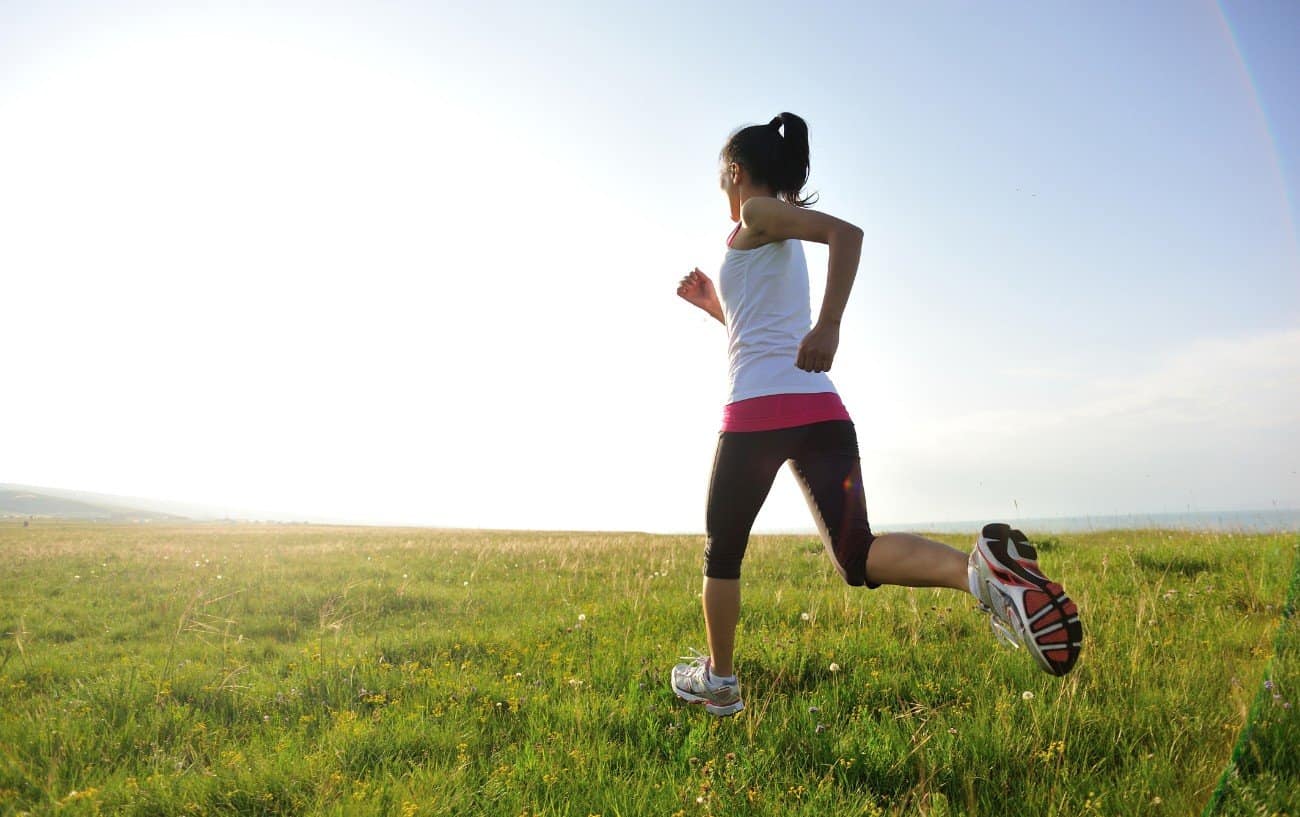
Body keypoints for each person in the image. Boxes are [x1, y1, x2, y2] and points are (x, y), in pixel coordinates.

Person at [671, 112, 1082, 717]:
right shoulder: (761, 236)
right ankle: (985, 578)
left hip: (756, 415)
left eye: (721, 179)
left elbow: (848, 234)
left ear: (733, 172)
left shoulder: (757, 214)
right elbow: (757, 335)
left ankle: (721, 682)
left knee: (723, 551)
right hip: (818, 411)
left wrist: (830, 325)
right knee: (855, 553)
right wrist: (714, 306)